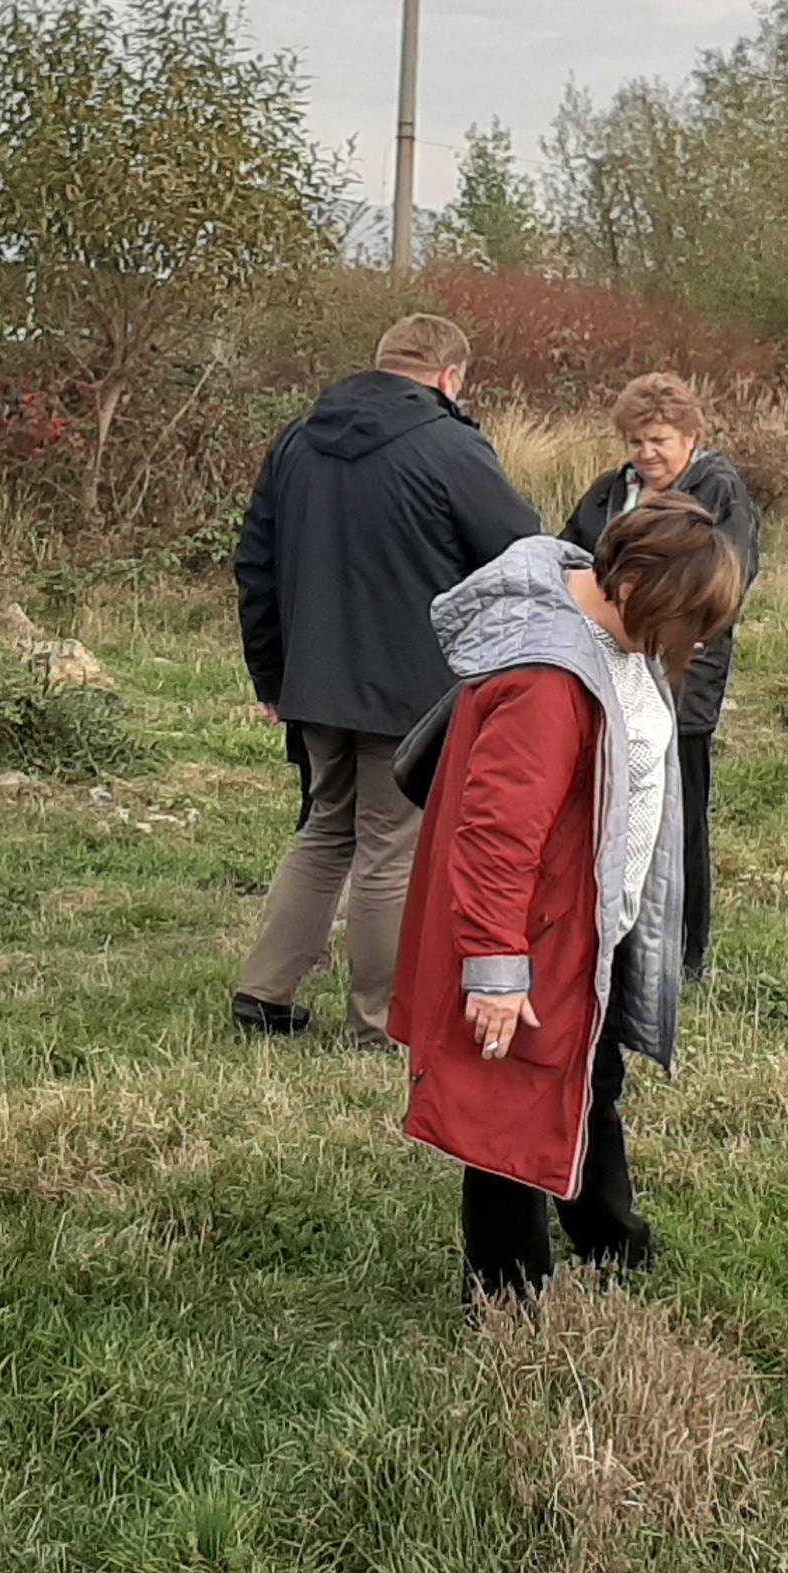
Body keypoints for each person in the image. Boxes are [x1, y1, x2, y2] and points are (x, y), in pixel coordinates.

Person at [391, 499, 745, 1298]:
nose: (692, 643)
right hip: (536, 934)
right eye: (688, 621)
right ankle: (509, 1298)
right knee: (508, 1111)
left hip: (588, 928)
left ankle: (612, 1241)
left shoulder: (615, 632)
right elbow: (498, 836)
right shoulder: (549, 680)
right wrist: (496, 967)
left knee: (591, 1083)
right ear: (637, 587)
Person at [230, 313, 538, 1045]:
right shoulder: (451, 446)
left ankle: (264, 993)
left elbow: (256, 563)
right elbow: (521, 552)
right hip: (409, 689)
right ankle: (377, 1024)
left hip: (311, 682)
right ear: (450, 376)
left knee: (325, 831)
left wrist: (272, 677)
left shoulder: (298, 440)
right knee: (390, 850)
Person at [558, 372, 764, 980]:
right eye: (637, 441)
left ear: (691, 437)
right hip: (608, 666)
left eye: (660, 440)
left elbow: (729, 581)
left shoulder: (720, 491)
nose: (647, 454)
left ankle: (685, 950)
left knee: (680, 813)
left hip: (683, 676)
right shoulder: (610, 490)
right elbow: (571, 550)